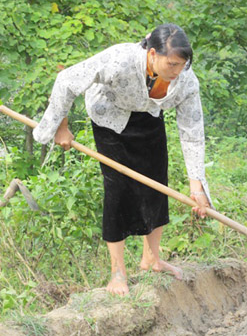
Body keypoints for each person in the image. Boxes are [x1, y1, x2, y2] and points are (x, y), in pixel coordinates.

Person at [33, 24, 213, 296]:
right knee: (118, 190)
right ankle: (117, 273)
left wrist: (197, 187)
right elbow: (67, 80)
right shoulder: (119, 59)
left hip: (149, 115)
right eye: (172, 64)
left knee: (156, 184)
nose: (177, 72)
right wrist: (61, 126)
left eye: (182, 65)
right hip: (109, 117)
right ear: (152, 54)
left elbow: (192, 131)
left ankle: (152, 258)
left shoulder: (186, 79)